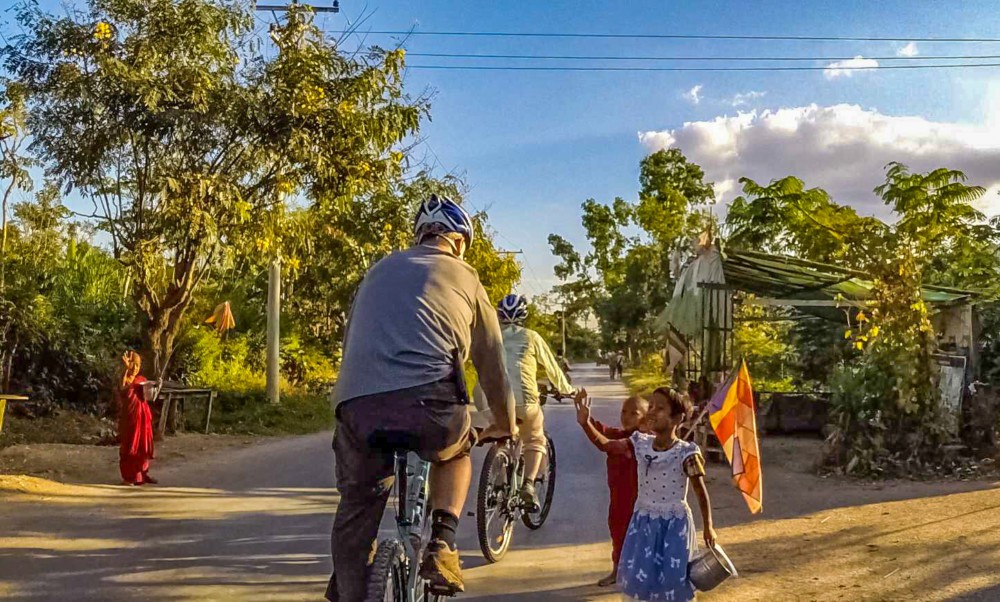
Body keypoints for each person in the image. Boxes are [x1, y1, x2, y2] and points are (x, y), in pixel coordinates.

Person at [326, 195, 518, 601]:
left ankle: (349, 582)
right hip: (430, 407)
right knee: (456, 451)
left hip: (358, 407)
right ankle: (443, 545)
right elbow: (491, 361)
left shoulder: (377, 271)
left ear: (419, 236)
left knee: (357, 507)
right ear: (461, 241)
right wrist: (505, 421)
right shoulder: (465, 275)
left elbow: (350, 344)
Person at [576, 387, 717, 602]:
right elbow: (608, 445)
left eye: (660, 408)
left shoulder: (687, 453)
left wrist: (708, 527)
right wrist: (585, 423)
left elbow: (700, 492)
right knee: (643, 575)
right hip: (644, 523)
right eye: (650, 406)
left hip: (674, 527)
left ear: (676, 418)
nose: (652, 412)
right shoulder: (639, 443)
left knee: (672, 578)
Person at [474, 293, 576, 511]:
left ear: (499, 316)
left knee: (503, 430)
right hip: (525, 401)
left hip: (486, 400)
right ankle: (528, 484)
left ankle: (499, 478)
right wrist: (568, 390)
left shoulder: (489, 336)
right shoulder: (531, 337)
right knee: (535, 439)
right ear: (524, 316)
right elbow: (553, 370)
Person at [575, 392, 649, 587]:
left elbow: (606, 444)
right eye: (623, 411)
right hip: (619, 498)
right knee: (617, 534)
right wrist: (586, 419)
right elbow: (604, 431)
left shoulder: (640, 441)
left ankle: (638, 573)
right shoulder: (623, 434)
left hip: (637, 500)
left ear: (645, 418)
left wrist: (586, 424)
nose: (626, 416)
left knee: (638, 537)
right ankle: (618, 571)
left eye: (633, 413)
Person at [117, 350, 156, 486]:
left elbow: (147, 397)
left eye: (138, 365)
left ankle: (142, 474)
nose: (135, 368)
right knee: (130, 446)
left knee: (143, 446)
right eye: (133, 364)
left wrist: (153, 390)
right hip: (130, 419)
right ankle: (129, 476)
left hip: (143, 419)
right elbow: (123, 389)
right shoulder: (126, 379)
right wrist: (125, 370)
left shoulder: (142, 380)